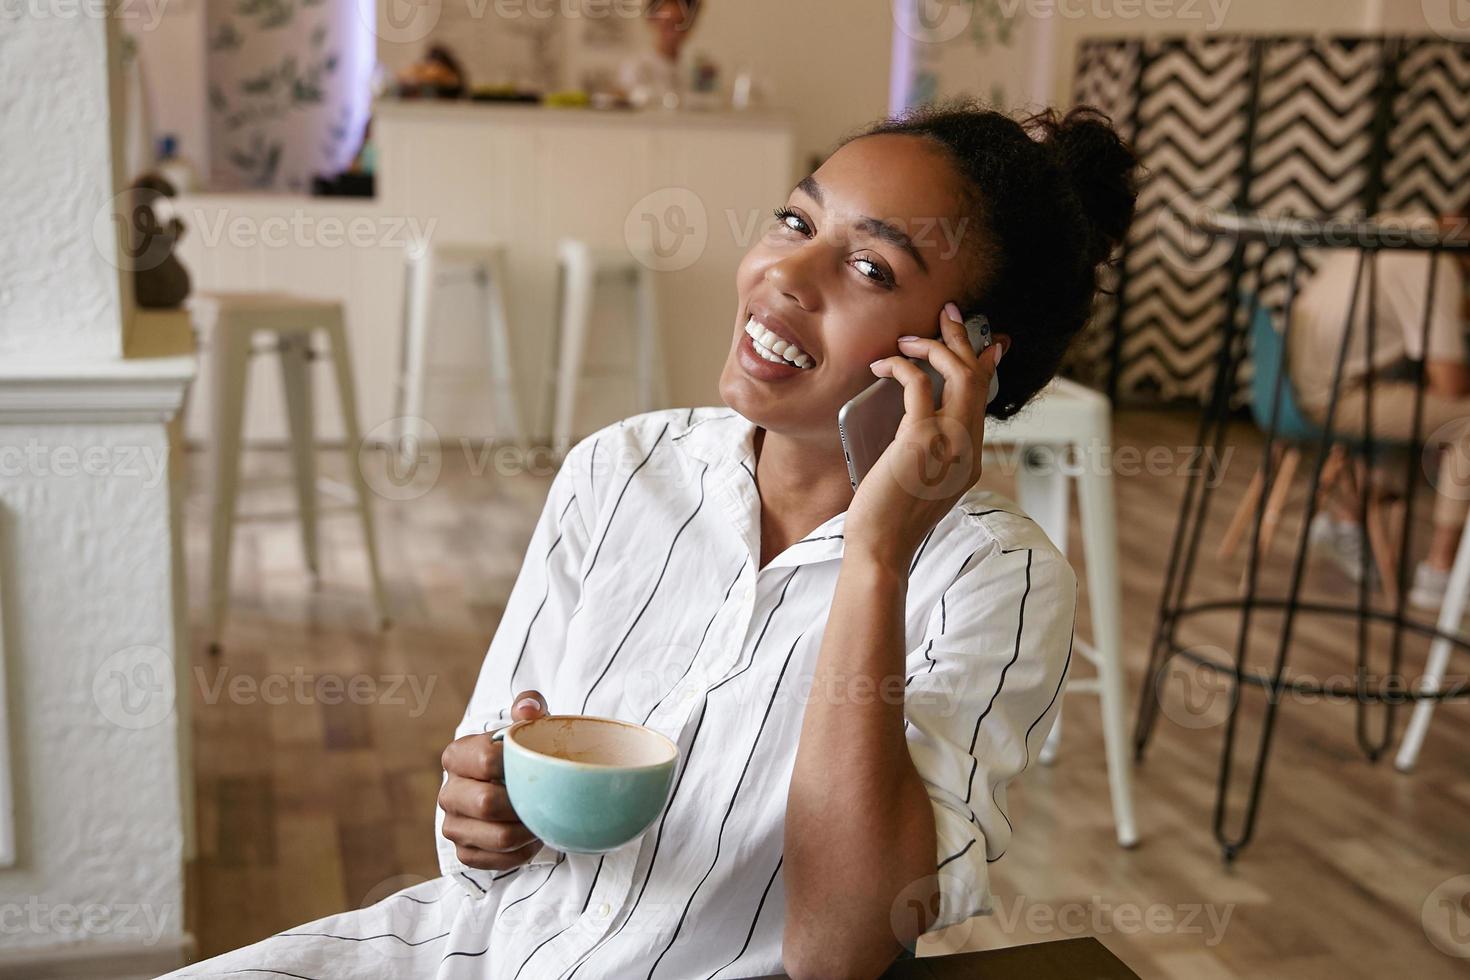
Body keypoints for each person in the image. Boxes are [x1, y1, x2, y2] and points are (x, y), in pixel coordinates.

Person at [163, 99, 1138, 980]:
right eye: (797, 221)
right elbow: (477, 819)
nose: (784, 274)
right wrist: (482, 808)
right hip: (473, 948)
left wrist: (878, 552)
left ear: (969, 359)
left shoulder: (997, 579)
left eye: (870, 266)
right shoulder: (621, 465)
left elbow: (837, 947)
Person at [1288, 204, 1470, 608]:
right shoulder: (1433, 261)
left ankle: (1344, 515)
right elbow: (1451, 383)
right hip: (1333, 397)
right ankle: (1440, 574)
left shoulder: (1396, 226)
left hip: (1290, 385)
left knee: (1413, 392)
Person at [618, 0, 702, 109]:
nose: (675, 31)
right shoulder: (635, 67)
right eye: (668, 23)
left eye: (682, 23)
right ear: (652, 20)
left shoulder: (698, 70)